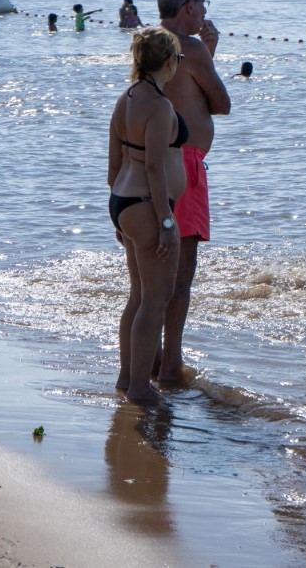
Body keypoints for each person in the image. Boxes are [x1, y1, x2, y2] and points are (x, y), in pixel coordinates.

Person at [155, 0, 230, 384]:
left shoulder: (148, 43)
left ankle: (149, 358)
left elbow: (176, 89)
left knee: (150, 275)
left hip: (147, 160)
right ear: (189, 8)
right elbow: (221, 103)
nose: (205, 9)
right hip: (184, 164)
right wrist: (208, 53)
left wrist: (206, 54)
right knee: (181, 276)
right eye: (203, 2)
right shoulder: (192, 47)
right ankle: (171, 363)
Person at [107, 27, 188, 405]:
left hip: (123, 199)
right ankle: (139, 387)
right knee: (156, 298)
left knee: (139, 296)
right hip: (146, 202)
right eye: (178, 60)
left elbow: (114, 165)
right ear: (169, 61)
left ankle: (127, 379)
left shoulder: (125, 98)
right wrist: (167, 222)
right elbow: (155, 168)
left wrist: (119, 220)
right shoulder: (159, 105)